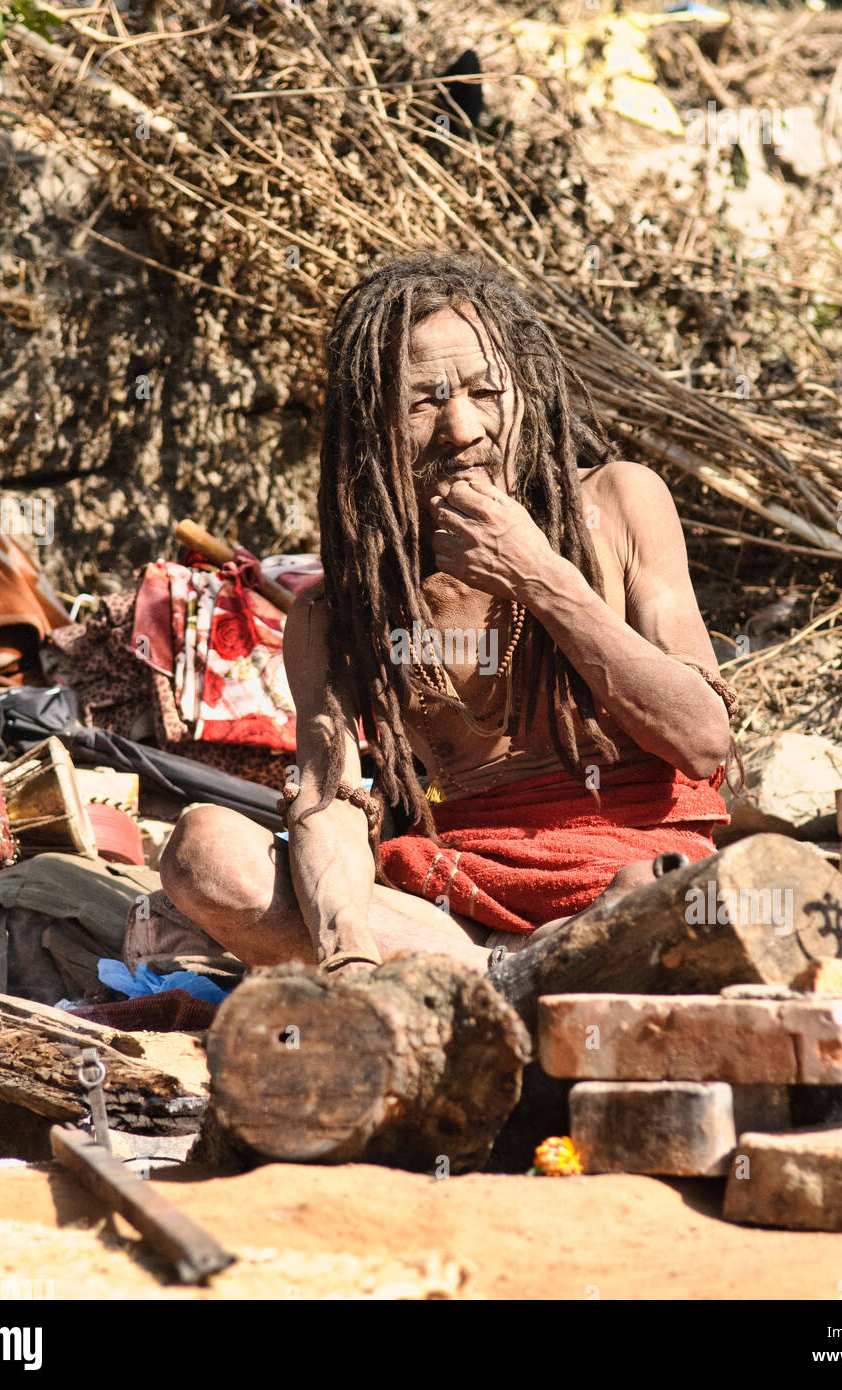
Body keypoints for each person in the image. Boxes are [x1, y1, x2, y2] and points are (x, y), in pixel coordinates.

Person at [160, 251, 739, 978]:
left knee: (649, 898)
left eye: (485, 391)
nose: (462, 428)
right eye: (422, 402)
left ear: (525, 390)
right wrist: (347, 952)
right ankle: (517, 973)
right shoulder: (338, 612)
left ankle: (514, 975)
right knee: (206, 854)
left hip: (635, 879)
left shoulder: (621, 503)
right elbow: (330, 800)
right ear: (371, 425)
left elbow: (703, 739)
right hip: (454, 916)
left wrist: (537, 574)